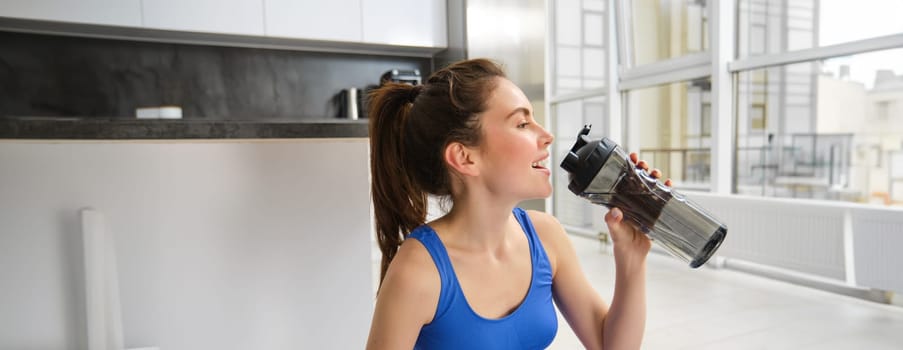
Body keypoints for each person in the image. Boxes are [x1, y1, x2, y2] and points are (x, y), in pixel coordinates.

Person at [365, 58, 670, 350]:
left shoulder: (546, 236)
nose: (547, 136)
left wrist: (631, 258)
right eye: (523, 123)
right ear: (464, 157)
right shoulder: (418, 269)